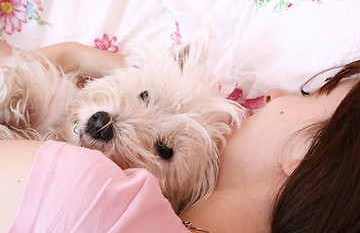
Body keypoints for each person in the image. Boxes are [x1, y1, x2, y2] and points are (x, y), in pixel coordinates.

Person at [1, 40, 359, 232]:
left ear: (304, 152)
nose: (272, 94)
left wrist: (67, 55)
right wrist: (70, 55)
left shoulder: (95, 194)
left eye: (310, 95)